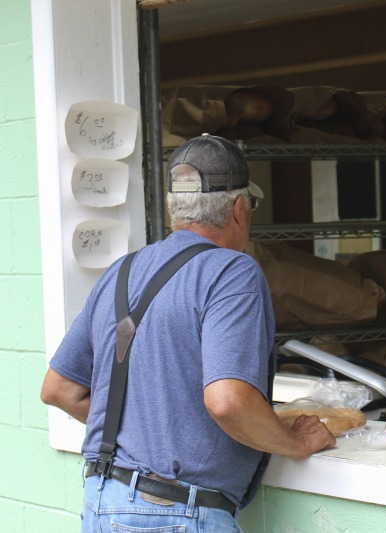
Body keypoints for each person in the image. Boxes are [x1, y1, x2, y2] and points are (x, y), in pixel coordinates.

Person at [40, 133, 336, 532]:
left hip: (101, 504)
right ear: (238, 209)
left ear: (173, 209)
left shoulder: (121, 272)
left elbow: (59, 389)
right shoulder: (232, 271)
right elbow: (228, 402)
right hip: (176, 513)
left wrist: (145, 437)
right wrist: (295, 442)